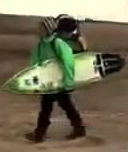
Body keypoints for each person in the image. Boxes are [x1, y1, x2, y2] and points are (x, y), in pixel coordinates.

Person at [26, 14, 87, 143]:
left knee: (56, 107)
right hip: (48, 82)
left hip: (59, 82)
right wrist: (35, 78)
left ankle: (40, 134)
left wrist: (69, 82)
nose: (39, 32)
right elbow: (36, 62)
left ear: (48, 30)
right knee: (56, 107)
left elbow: (68, 62)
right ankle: (78, 129)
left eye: (41, 29)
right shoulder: (41, 44)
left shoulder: (58, 43)